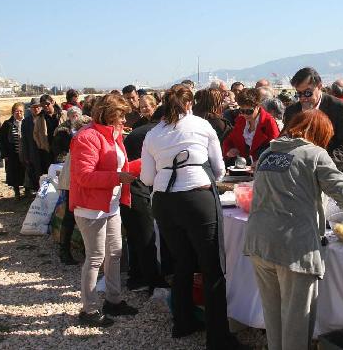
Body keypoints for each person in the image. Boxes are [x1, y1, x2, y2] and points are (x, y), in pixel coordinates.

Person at [245, 109, 343, 350]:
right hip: (294, 247)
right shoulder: (314, 154)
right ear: (320, 134)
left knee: (273, 317)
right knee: (296, 322)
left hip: (259, 242)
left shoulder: (269, 152)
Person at [140, 84, 245, 350]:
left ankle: (183, 321)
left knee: (182, 262)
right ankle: (218, 337)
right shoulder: (201, 125)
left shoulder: (153, 134)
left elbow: (147, 178)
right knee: (211, 267)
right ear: (189, 104)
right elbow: (219, 169)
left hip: (164, 200)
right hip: (196, 195)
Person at [69, 93, 140, 327]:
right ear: (109, 115)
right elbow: (83, 176)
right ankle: (88, 310)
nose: (124, 120)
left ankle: (113, 300)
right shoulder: (87, 137)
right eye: (121, 116)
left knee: (115, 253)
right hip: (91, 208)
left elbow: (121, 165)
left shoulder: (113, 135)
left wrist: (144, 164)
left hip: (110, 205)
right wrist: (118, 177)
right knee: (96, 258)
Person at [284, 67, 343, 195]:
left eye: (307, 93)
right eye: (299, 94)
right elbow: (288, 142)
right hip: (306, 183)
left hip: (340, 176)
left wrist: (321, 166)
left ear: (319, 86)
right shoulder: (291, 111)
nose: (303, 98)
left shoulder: (339, 107)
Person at [121, 104, 171, 294]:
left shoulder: (140, 131)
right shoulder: (156, 134)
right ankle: (153, 280)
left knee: (135, 236)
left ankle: (137, 277)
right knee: (145, 235)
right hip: (137, 185)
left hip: (128, 187)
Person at [53, 106, 90, 264]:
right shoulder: (80, 138)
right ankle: (65, 251)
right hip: (73, 180)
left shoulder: (77, 137)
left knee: (74, 216)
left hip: (72, 178)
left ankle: (71, 249)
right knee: (71, 216)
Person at [223, 87, 280, 165]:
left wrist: (262, 162)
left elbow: (277, 147)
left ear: (258, 106)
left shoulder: (268, 121)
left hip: (263, 169)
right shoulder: (240, 120)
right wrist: (229, 150)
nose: (245, 114)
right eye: (242, 111)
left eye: (249, 111)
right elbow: (229, 140)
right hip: (243, 167)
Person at [0, 103, 27, 199]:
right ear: (13, 112)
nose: (19, 113)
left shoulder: (27, 122)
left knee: (26, 172)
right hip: (12, 154)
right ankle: (17, 192)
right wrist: (4, 154)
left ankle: (27, 191)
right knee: (14, 173)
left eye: (21, 111)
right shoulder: (7, 124)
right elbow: (2, 140)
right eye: (16, 111)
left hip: (25, 154)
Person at [34, 94, 65, 175]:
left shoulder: (62, 115)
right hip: (47, 150)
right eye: (43, 105)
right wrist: (41, 144)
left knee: (62, 173)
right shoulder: (40, 118)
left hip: (62, 150)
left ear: (53, 102)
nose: (46, 107)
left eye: (47, 104)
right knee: (50, 173)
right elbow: (36, 133)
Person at [20, 98, 43, 193]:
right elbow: (24, 140)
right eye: (33, 107)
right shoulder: (26, 121)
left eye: (38, 107)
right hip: (32, 151)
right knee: (35, 173)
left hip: (44, 152)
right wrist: (26, 155)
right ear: (30, 108)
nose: (36, 109)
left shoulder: (45, 118)